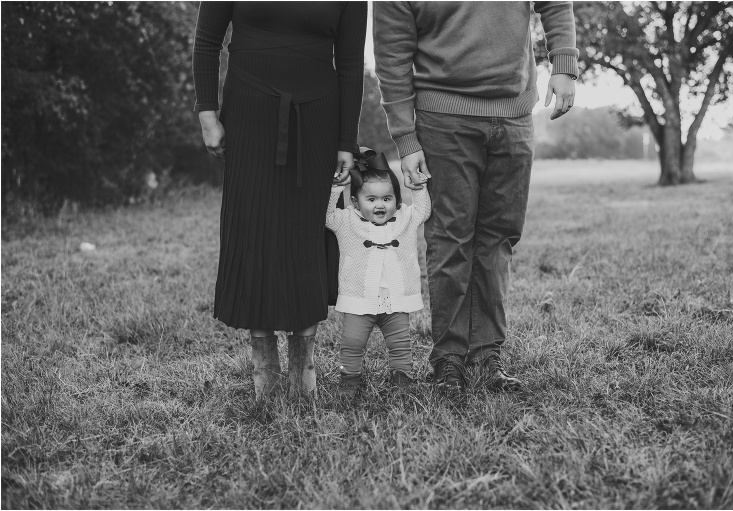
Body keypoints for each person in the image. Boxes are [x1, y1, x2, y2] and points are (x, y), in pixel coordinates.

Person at [373, 2, 578, 395]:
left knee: (498, 237)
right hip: (442, 117)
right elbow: (392, 50)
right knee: (450, 238)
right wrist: (405, 135)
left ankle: (486, 355)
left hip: (515, 113)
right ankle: (448, 359)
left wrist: (564, 64)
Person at [193, 2, 366, 399]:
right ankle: (265, 370)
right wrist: (207, 114)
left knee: (306, 237)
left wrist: (346, 141)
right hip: (249, 113)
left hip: (318, 118)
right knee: (255, 231)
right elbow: (206, 42)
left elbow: (352, 62)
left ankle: (303, 367)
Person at [325, 150, 431, 397]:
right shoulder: (347, 220)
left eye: (387, 198)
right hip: (359, 300)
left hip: (396, 299)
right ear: (356, 203)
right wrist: (335, 189)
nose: (380, 205)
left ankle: (402, 377)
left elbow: (423, 210)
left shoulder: (405, 218)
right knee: (351, 344)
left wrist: (418, 187)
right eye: (371, 199)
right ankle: (349, 377)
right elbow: (327, 216)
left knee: (401, 345)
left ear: (397, 200)